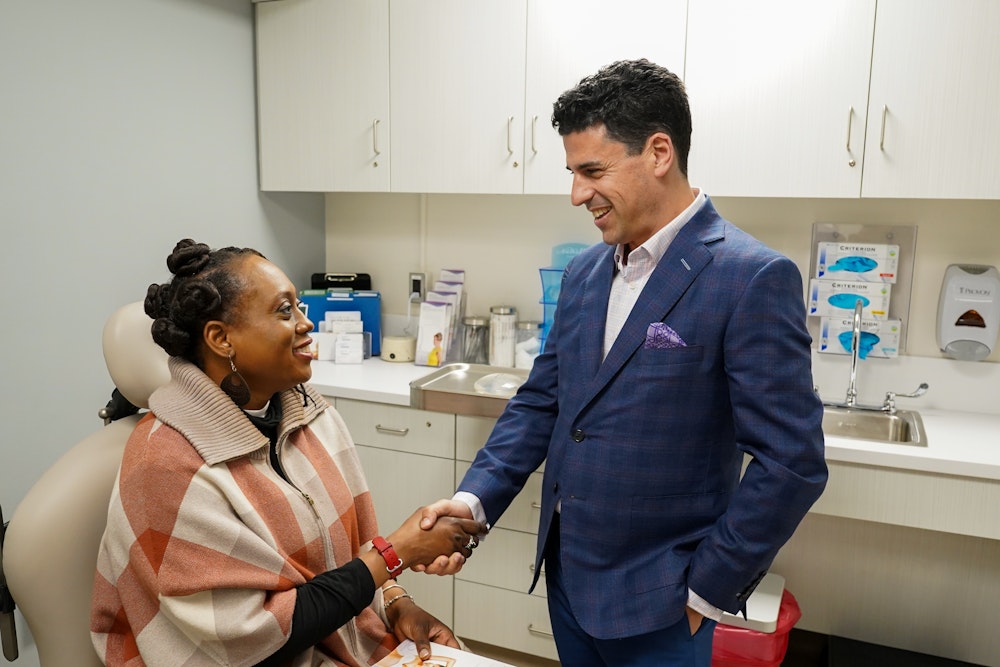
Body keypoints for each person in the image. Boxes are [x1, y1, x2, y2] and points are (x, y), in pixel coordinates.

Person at [417, 59, 828, 666]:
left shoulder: (750, 276)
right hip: (569, 583)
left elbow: (791, 462)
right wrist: (474, 502)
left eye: (592, 171)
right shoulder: (585, 272)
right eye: (572, 173)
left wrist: (708, 589)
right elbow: (544, 402)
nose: (577, 194)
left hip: (666, 603)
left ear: (659, 152)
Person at [91, 239, 484, 666]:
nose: (305, 323)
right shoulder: (165, 465)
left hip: (338, 637)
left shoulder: (308, 413)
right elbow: (249, 636)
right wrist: (398, 553)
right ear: (221, 339)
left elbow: (357, 549)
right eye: (284, 311)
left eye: (300, 307)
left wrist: (396, 604)